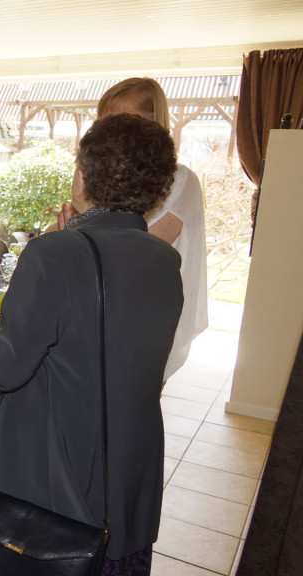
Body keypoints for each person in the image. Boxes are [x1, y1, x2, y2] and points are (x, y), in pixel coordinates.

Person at [0, 114, 184, 575]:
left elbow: (7, 368)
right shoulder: (164, 259)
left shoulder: (53, 253)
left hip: (58, 484)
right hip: (129, 472)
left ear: (84, 177)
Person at [58, 77, 208, 381]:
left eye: (123, 120)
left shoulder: (181, 181)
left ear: (154, 122)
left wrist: (79, 226)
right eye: (105, 122)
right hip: (91, 311)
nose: (112, 133)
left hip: (142, 316)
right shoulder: (99, 176)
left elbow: (137, 251)